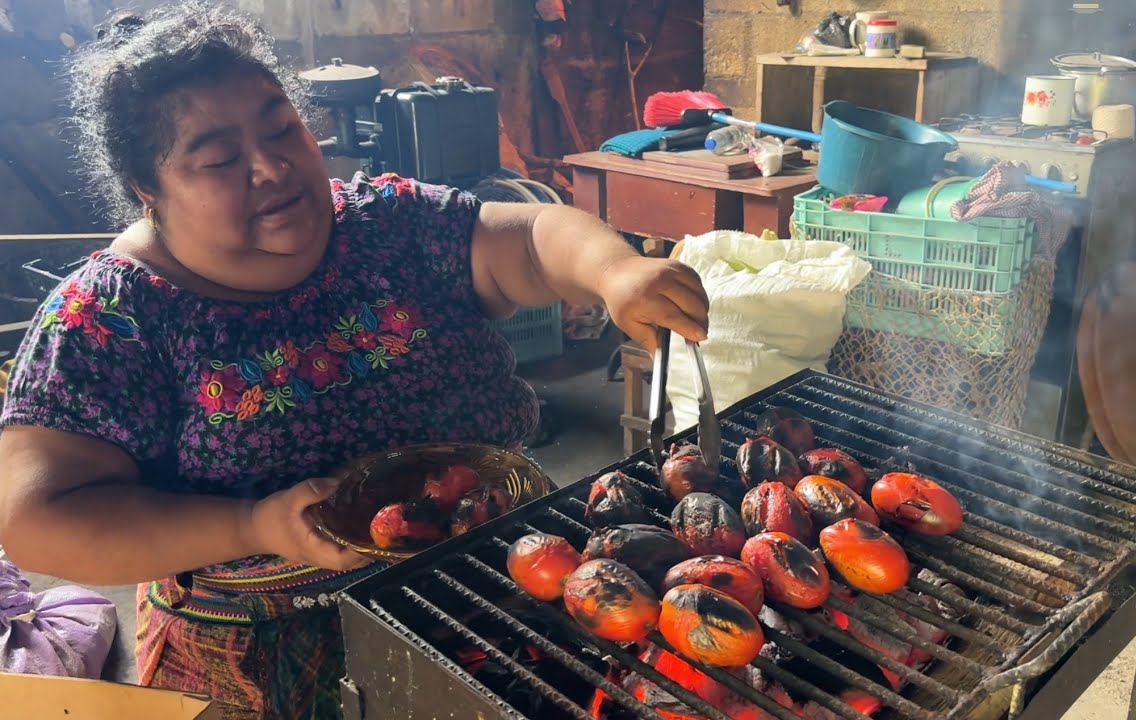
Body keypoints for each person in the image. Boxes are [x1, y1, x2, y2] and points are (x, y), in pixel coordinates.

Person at [0, 2, 709, 718]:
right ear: (147, 189)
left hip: (494, 577)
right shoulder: (111, 316)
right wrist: (254, 525)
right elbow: (37, 516)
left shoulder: (388, 224)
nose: (273, 167)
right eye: (219, 159)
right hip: (266, 652)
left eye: (283, 128)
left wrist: (615, 272)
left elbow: (527, 239)